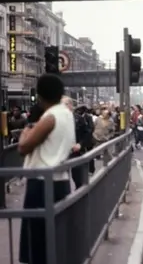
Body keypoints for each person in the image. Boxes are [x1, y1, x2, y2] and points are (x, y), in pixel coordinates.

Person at [18, 73, 76, 264]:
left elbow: (23, 147)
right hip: (61, 182)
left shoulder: (50, 117)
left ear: (40, 95)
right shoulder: (67, 114)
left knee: (37, 245)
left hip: (41, 184)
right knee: (56, 241)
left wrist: (26, 132)